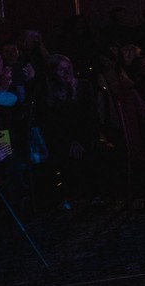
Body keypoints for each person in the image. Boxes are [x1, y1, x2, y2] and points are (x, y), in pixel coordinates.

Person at [35, 54, 102, 203]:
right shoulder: (46, 92)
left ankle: (93, 194)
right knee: (63, 155)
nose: (66, 73)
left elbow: (91, 116)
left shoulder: (83, 86)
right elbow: (50, 123)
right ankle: (70, 195)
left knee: (93, 151)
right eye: (61, 70)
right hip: (61, 138)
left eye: (68, 68)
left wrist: (85, 139)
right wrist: (69, 141)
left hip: (85, 134)